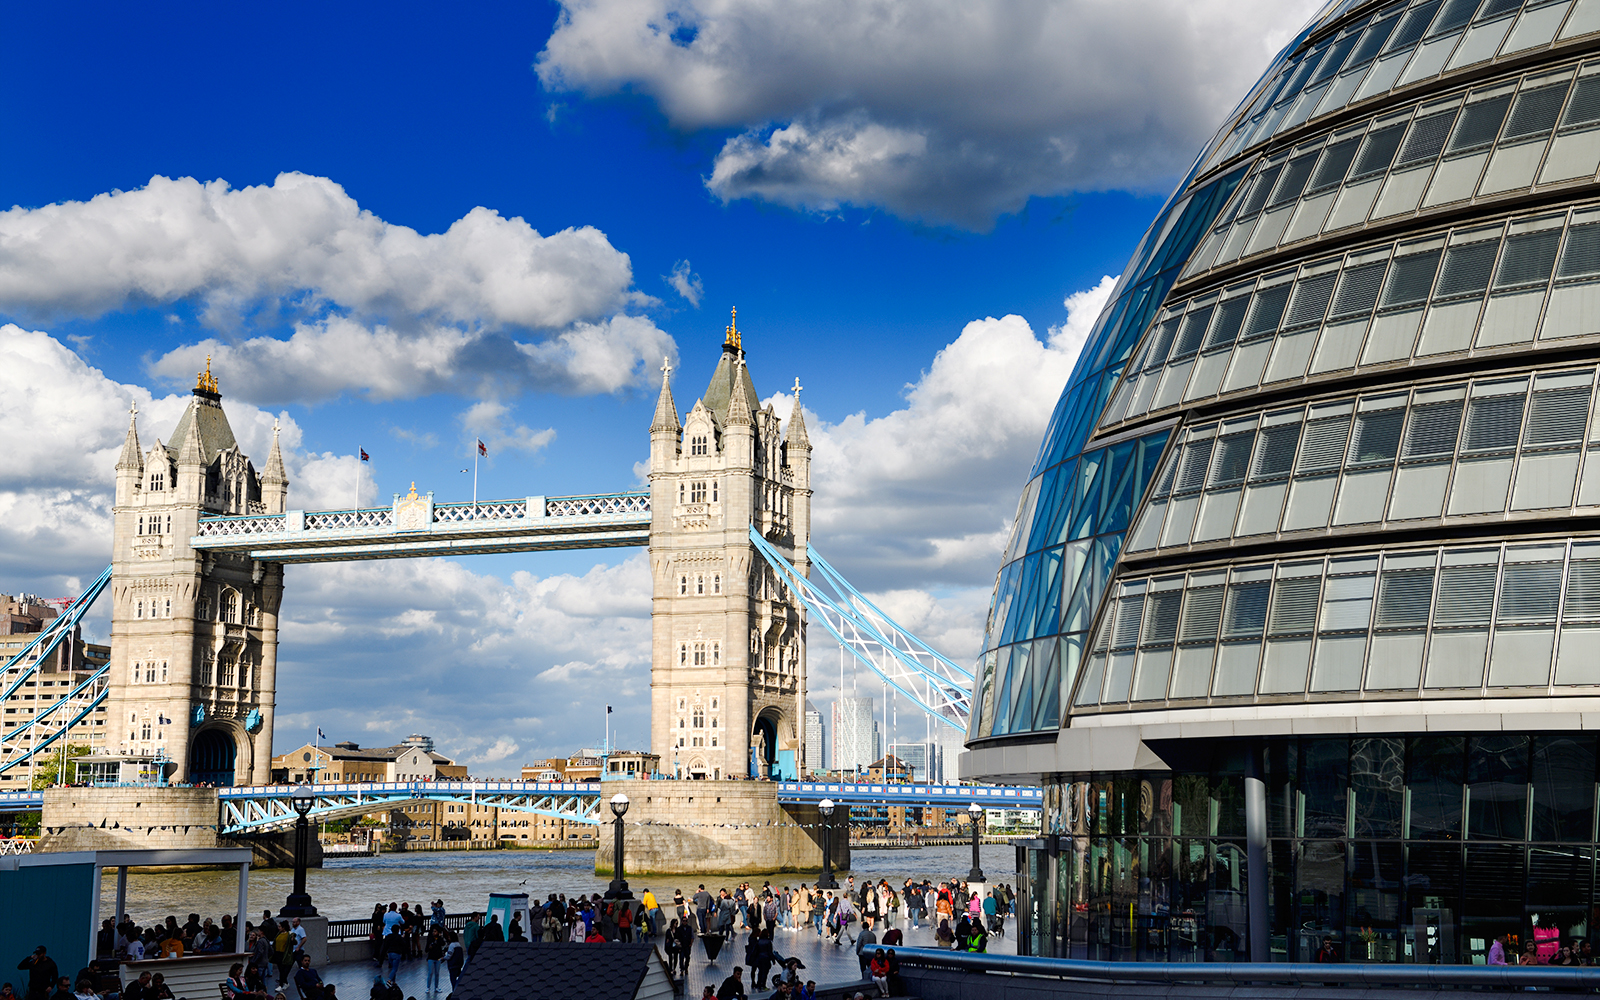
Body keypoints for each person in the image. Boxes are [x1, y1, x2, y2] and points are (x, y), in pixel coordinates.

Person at [424, 928, 446, 994]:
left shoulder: (439, 939)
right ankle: (428, 987)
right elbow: (426, 949)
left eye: (435, 931)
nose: (434, 933)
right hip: (431, 957)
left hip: (438, 957)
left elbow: (443, 943)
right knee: (430, 972)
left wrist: (440, 937)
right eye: (433, 931)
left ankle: (436, 987)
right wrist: (429, 947)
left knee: (437, 973)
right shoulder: (430, 940)